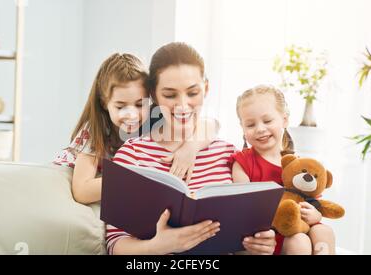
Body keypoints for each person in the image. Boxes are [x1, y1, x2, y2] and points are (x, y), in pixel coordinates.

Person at [106, 42, 276, 255]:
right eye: (170, 95)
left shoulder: (229, 154)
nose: (183, 105)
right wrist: (157, 247)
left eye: (192, 92)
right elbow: (115, 244)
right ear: (154, 95)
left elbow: (240, 239)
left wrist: (259, 246)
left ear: (206, 88)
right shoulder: (132, 155)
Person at [53, 53, 219, 204]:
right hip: (68, 175)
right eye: (120, 106)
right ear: (105, 103)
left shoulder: (155, 115)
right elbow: (82, 191)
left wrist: (190, 148)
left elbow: (212, 124)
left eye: (140, 104)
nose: (132, 115)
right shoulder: (96, 128)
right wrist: (137, 175)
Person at [231, 84, 336, 255]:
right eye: (250, 124)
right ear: (242, 127)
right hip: (268, 236)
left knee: (324, 231)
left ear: (285, 120)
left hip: (300, 226)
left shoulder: (298, 165)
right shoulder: (243, 162)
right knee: (299, 242)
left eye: (267, 121)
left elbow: (314, 202)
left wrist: (315, 215)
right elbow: (243, 209)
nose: (260, 129)